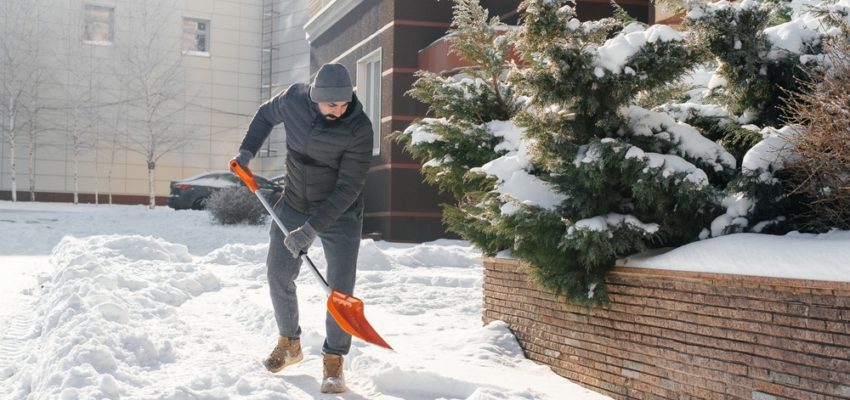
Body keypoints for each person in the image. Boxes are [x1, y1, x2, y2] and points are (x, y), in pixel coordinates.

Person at [231, 63, 373, 394]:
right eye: (331, 105)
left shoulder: (359, 128)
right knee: (278, 273)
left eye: (344, 103)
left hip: (340, 212)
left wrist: (310, 231)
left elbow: (348, 188)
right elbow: (265, 115)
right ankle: (289, 342)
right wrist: (246, 151)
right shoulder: (294, 99)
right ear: (314, 98)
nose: (339, 110)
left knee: (339, 288)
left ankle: (334, 358)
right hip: (294, 203)